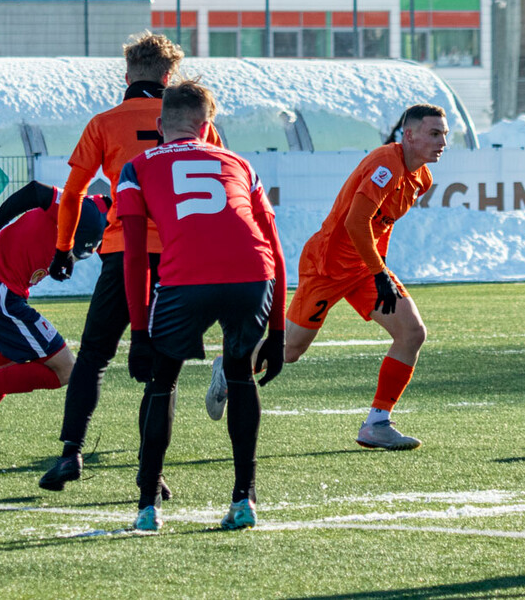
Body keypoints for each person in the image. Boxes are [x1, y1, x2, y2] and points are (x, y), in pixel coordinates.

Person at [38, 31, 223, 495]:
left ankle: (70, 453)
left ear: (127, 76)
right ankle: (151, 471)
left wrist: (63, 248)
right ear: (169, 77)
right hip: (180, 256)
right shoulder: (195, 119)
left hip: (122, 253)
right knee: (164, 367)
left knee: (94, 357)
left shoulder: (104, 122)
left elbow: (75, 193)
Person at [118, 79, 286, 532]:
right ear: (208, 127)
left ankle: (147, 506)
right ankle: (244, 499)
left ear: (159, 124)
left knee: (163, 381)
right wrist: (278, 332)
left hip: (185, 279)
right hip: (253, 274)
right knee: (240, 376)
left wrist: (137, 332)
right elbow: (274, 245)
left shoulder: (136, 168)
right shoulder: (240, 163)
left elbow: (134, 257)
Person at [252, 103, 447, 450]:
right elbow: (354, 223)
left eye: (444, 134)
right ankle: (230, 365)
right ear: (410, 134)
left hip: (364, 268)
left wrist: (379, 269)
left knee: (412, 332)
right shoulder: (386, 163)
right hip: (328, 265)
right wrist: (380, 273)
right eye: (434, 133)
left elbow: (379, 226)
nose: (442, 141)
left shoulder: (422, 178)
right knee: (291, 351)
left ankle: (377, 423)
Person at [0, 181, 107, 470]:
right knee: (66, 370)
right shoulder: (90, 211)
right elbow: (35, 192)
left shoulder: (109, 222)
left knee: (2, 380)